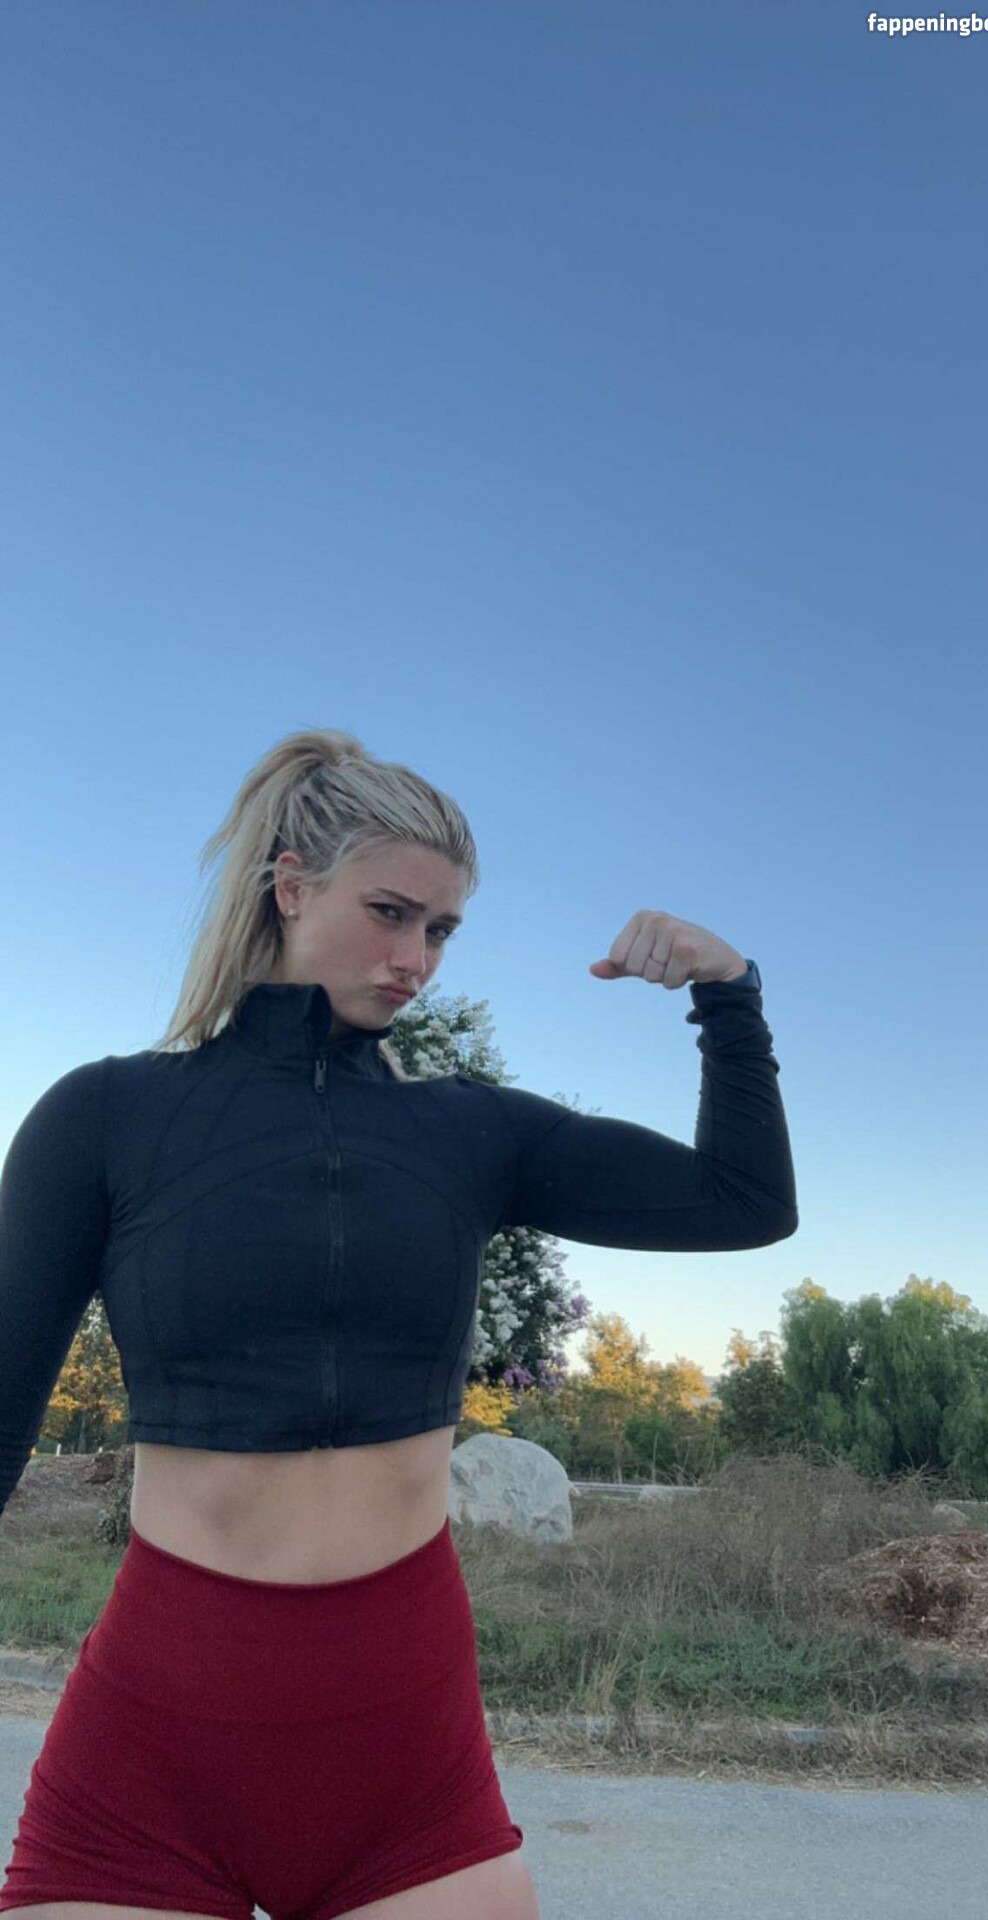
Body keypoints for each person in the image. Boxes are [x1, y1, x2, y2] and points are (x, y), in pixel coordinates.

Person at [0, 726, 799, 1920]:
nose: (415, 957)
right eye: (390, 913)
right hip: (158, 1730)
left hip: (402, 1737)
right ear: (289, 886)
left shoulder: (471, 1133)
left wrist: (727, 998)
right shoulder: (106, 1118)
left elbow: (743, 1204)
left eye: (441, 929)